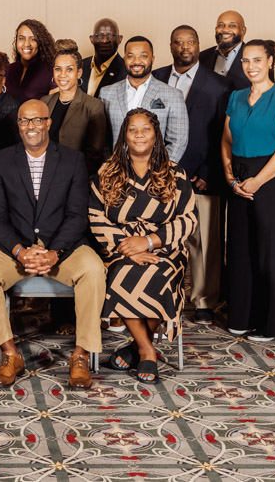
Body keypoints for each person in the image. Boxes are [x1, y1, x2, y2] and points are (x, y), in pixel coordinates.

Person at [0, 100, 107, 391]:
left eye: (37, 120)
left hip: (62, 249)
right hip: (17, 249)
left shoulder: (72, 160)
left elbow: (77, 216)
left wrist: (56, 252)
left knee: (93, 269)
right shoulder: (2, 159)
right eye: (24, 121)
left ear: (48, 123)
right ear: (18, 125)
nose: (30, 126)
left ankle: (81, 355)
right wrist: (19, 251)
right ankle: (10, 354)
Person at [89, 108, 197, 383]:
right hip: (120, 247)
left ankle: (135, 347)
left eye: (145, 129)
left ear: (156, 135)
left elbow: (189, 219)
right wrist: (127, 247)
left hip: (165, 247)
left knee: (161, 273)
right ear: (124, 136)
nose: (139, 135)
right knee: (122, 272)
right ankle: (147, 351)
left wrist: (149, 242)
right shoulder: (107, 172)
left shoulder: (175, 173)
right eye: (133, 130)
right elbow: (94, 215)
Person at [221, 39, 275, 342]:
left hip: (271, 178)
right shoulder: (236, 97)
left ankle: (273, 323)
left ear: (270, 62)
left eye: (257, 60)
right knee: (241, 249)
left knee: (271, 252)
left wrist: (258, 180)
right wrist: (230, 176)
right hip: (239, 177)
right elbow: (226, 140)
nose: (250, 66)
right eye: (245, 60)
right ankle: (243, 316)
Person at [153, 25, 232, 325]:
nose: (184, 47)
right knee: (162, 239)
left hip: (202, 177)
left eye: (190, 42)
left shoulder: (219, 85)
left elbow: (223, 133)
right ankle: (161, 297)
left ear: (199, 45)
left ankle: (204, 301)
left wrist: (209, 171)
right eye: (178, 42)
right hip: (160, 177)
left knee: (203, 242)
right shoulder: (155, 78)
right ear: (170, 46)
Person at [99, 36, 188, 161]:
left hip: (157, 170)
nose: (136, 61)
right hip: (116, 168)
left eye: (143, 56)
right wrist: (112, 166)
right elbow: (101, 139)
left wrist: (159, 169)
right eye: (131, 56)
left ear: (152, 59)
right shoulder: (106, 93)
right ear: (124, 59)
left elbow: (178, 141)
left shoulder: (173, 95)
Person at [42, 47, 109, 173]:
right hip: (45, 172)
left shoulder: (93, 106)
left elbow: (94, 153)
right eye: (58, 69)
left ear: (79, 73)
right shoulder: (45, 102)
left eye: (69, 69)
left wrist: (73, 176)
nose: (62, 75)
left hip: (76, 175)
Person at [5, 19, 56, 103]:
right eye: (21, 38)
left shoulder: (51, 72)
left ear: (40, 43)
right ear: (16, 41)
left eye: (33, 39)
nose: (26, 44)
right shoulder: (8, 69)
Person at [200, 10, 250, 90]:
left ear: (243, 31)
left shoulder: (255, 59)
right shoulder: (201, 57)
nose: (225, 29)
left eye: (232, 26)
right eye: (221, 25)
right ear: (216, 29)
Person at [80, 18, 126, 98]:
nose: (104, 40)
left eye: (110, 35)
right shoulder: (80, 66)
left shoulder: (126, 71)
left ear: (120, 39)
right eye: (99, 35)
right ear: (91, 39)